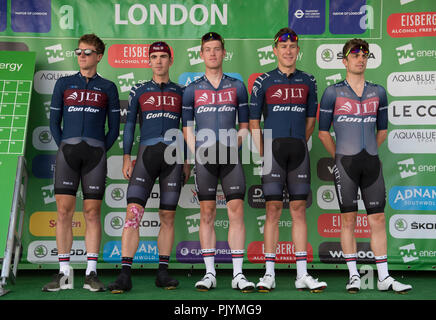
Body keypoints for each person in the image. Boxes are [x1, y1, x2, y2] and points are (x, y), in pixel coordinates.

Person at [318, 38, 412, 294]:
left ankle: (383, 277)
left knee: (378, 218)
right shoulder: (332, 92)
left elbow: (382, 130)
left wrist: (369, 151)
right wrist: (339, 157)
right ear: (344, 60)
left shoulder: (378, 91)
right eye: (355, 55)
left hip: (371, 162)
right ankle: (353, 276)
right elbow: (323, 132)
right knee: (348, 220)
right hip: (345, 164)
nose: (361, 59)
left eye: (365, 55)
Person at [249, 27, 327, 293]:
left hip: (298, 153)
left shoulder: (309, 80)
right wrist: (263, 150)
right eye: (283, 47)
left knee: (298, 211)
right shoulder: (263, 81)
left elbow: (310, 121)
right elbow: (252, 121)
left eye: (292, 46)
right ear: (275, 51)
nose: (288, 51)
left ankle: (302, 274)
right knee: (272, 211)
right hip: (272, 151)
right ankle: (268, 273)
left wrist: (298, 144)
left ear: (297, 50)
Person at [107, 41, 188, 293]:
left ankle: (162, 273)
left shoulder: (182, 91)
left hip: (174, 157)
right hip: (145, 156)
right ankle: (124, 275)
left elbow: (187, 129)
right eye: (154, 56)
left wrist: (187, 161)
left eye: (164, 56)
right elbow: (130, 124)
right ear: (148, 61)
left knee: (168, 216)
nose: (159, 61)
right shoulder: (139, 90)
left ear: (171, 61)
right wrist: (126, 156)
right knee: (133, 215)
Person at [44, 33, 120, 292]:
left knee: (92, 213)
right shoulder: (63, 84)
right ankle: (64, 272)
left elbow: (114, 130)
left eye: (87, 52)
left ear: (99, 56)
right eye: (79, 51)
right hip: (67, 154)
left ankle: (91, 272)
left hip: (95, 156)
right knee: (64, 212)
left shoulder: (108, 87)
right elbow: (54, 123)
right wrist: (64, 146)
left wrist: (99, 149)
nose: (82, 56)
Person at [182, 32, 254, 292]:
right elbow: (186, 128)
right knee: (207, 212)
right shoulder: (192, 88)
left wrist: (231, 149)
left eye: (217, 49)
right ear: (201, 54)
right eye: (207, 50)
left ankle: (238, 274)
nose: (212, 53)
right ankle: (209, 273)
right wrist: (197, 152)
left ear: (224, 53)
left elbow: (244, 126)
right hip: (204, 158)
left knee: (236, 210)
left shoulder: (237, 86)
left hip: (230, 157)